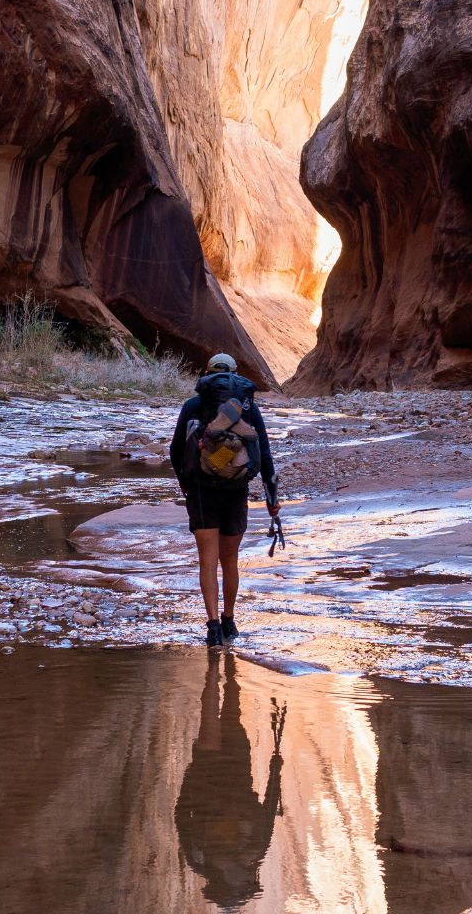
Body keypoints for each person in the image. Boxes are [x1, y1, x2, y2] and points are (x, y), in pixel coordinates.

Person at [169, 352, 278, 646]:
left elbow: (175, 451)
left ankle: (213, 628)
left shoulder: (194, 405)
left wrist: (185, 484)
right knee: (230, 560)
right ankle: (230, 622)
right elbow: (264, 454)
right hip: (235, 490)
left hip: (202, 491)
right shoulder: (248, 407)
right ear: (235, 374)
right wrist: (272, 498)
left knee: (207, 561)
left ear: (207, 374)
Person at [174, 651, 286, 910]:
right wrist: (275, 769)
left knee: (226, 713)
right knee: (225, 714)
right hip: (221, 770)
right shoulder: (247, 853)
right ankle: (223, 670)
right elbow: (268, 810)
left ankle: (219, 670)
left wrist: (275, 769)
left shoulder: (202, 857)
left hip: (213, 771)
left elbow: (181, 815)